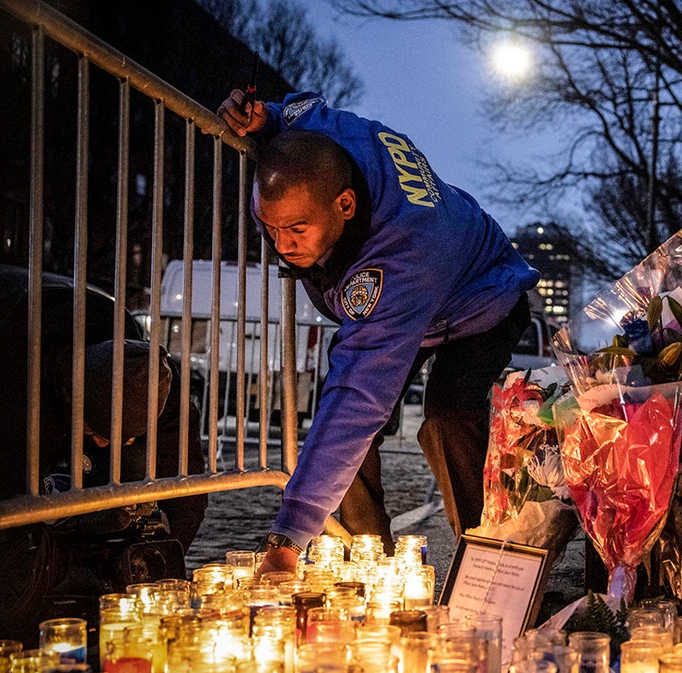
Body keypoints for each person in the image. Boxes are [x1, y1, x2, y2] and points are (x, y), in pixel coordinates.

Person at [216, 90, 539, 574]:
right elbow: (299, 112)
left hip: (483, 295)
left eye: (298, 229)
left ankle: (487, 560)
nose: (282, 247)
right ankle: (370, 559)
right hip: (417, 291)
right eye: (270, 228)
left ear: (344, 204)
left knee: (447, 417)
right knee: (340, 427)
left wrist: (288, 536)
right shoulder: (322, 134)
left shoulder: (402, 260)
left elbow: (360, 398)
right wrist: (265, 120)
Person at [0, 264, 208, 645]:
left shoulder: (153, 379)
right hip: (5, 317)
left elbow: (188, 487)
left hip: (77, 327)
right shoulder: (8, 379)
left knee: (131, 472)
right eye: (95, 433)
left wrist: (158, 562)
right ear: (69, 403)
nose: (104, 445)